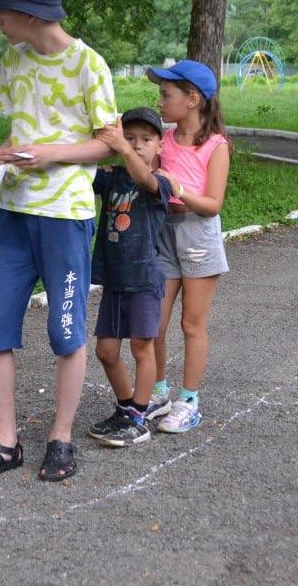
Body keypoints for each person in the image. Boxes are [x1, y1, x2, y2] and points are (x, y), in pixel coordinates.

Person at [0, 0, 117, 483]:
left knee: (65, 330)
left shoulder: (90, 65)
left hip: (65, 215)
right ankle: (7, 444)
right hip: (12, 211)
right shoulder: (14, 58)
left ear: (28, 13)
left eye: (4, 10)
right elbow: (19, 131)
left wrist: (52, 155)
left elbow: (107, 141)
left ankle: (61, 438)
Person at [143, 60, 230, 434]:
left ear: (192, 99)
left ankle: (188, 400)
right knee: (154, 323)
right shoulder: (163, 139)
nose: (160, 102)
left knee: (191, 324)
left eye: (167, 95)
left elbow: (213, 205)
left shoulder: (216, 145)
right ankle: (158, 392)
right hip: (164, 233)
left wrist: (179, 189)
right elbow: (147, 176)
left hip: (198, 236)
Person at [87, 108, 174, 446]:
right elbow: (83, 173)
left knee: (142, 348)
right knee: (106, 351)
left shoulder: (160, 184)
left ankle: (140, 414)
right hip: (115, 281)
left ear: (160, 146)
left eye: (146, 140)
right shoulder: (111, 178)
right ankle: (126, 407)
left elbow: (145, 180)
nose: (136, 145)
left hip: (144, 280)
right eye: (131, 137)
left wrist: (122, 147)